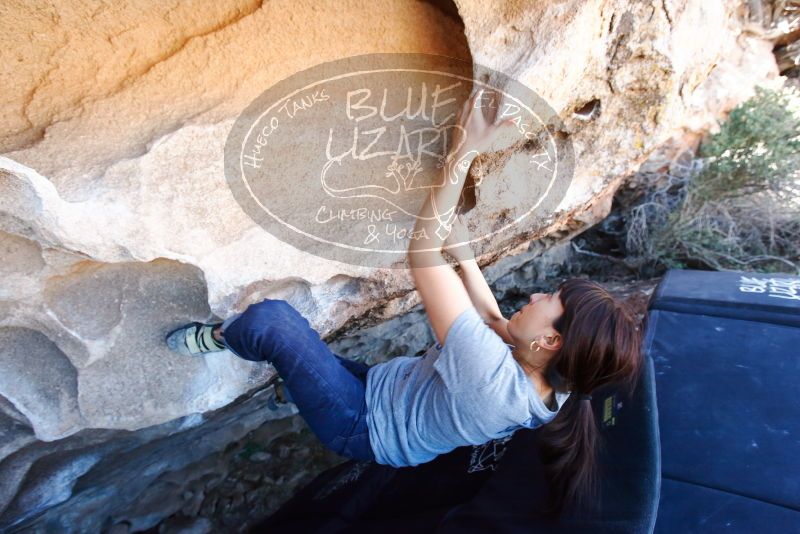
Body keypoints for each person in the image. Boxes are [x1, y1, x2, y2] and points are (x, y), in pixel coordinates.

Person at [165, 89, 643, 518]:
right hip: (387, 389)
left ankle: (221, 338)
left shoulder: (492, 384)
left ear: (551, 339)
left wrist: (463, 153)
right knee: (313, 365)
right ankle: (292, 389)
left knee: (274, 324)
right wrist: (463, 253)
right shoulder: (555, 380)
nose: (538, 295)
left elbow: (420, 252)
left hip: (362, 423)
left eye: (550, 300)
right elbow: (493, 319)